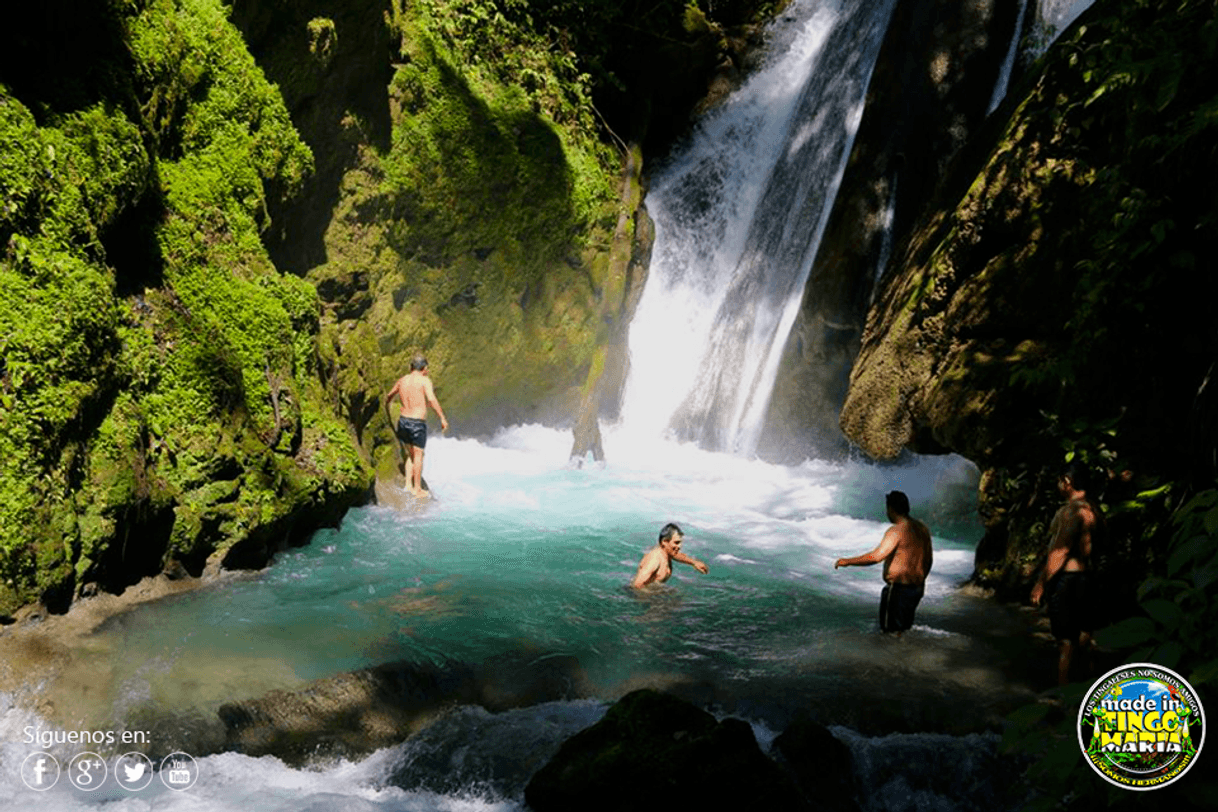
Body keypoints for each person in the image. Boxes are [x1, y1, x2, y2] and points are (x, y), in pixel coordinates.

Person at [1030, 462, 1105, 685]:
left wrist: (1041, 583)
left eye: (1059, 481)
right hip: (1088, 579)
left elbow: (1060, 551)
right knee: (1085, 636)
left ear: (1067, 482)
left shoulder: (1072, 512)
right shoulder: (1095, 510)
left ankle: (1063, 697)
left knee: (1065, 642)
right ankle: (1087, 688)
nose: (1057, 485)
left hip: (1068, 580)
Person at [835, 491, 933, 636]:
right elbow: (929, 560)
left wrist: (847, 561)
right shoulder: (922, 528)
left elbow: (876, 556)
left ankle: (893, 657)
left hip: (898, 590)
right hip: (916, 589)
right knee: (904, 631)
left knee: (889, 634)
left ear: (891, 509)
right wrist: (921, 581)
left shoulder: (896, 531)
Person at [384, 355, 449, 498]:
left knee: (409, 454)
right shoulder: (424, 381)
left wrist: (387, 408)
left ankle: (408, 485)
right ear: (424, 368)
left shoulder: (402, 380)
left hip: (403, 421)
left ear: (411, 367)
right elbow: (431, 399)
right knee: (419, 455)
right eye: (427, 369)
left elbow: (389, 396)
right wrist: (442, 418)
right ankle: (417, 489)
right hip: (417, 423)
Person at [632, 523, 709, 588]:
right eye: (676, 543)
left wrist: (694, 562)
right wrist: (655, 598)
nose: (679, 546)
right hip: (641, 598)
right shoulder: (655, 559)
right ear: (665, 542)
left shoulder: (666, 552)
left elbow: (676, 555)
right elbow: (637, 584)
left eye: (680, 543)